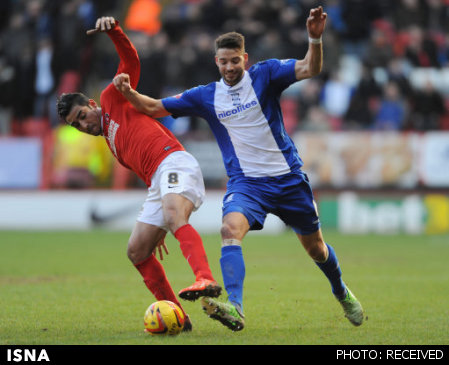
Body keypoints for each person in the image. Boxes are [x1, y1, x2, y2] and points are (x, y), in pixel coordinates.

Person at [113, 6, 364, 331]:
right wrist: (128, 92)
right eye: (224, 62)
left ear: (244, 59)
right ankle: (235, 307)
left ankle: (341, 291)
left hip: (288, 179)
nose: (230, 67)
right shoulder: (205, 96)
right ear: (216, 62)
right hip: (247, 186)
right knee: (229, 231)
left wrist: (314, 38)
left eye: (235, 60)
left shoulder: (266, 74)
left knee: (316, 248)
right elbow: (154, 107)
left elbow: (309, 68)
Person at [56, 16, 222, 332]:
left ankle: (205, 278)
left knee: (175, 217)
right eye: (75, 125)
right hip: (158, 182)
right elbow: (148, 175)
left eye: (82, 116)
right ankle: (180, 319)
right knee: (137, 250)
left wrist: (115, 31)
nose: (83, 125)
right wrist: (157, 221)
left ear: (91, 104)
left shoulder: (111, 98)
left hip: (174, 163)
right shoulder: (113, 145)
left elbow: (131, 60)